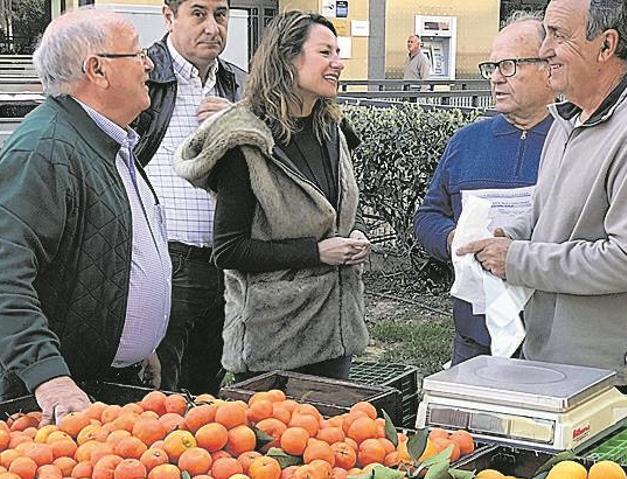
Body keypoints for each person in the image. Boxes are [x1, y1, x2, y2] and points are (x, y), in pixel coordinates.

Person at [459, 0, 627, 397]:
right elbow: (549, 213)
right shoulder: (570, 118)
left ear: (606, 46)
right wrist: (506, 233)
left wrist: (516, 259)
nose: (544, 49)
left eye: (558, 35)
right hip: (555, 358)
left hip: (610, 375)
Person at [174, 11, 370, 382]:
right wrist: (317, 252)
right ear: (287, 58)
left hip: (335, 335)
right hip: (272, 343)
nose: (338, 63)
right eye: (325, 53)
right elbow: (229, 250)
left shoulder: (333, 130)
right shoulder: (245, 142)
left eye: (338, 53)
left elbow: (332, 212)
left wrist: (353, 236)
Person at [0, 10, 171, 420]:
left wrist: (136, 345)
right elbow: (5, 274)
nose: (149, 64)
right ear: (97, 69)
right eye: (138, 54)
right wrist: (49, 377)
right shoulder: (45, 149)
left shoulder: (104, 140)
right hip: (55, 404)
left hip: (103, 383)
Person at [414, 13, 555, 365]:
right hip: (473, 336)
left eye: (508, 66)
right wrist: (455, 241)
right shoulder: (467, 141)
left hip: (550, 339)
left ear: (547, 67)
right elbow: (429, 215)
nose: (495, 78)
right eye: (492, 66)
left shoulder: (572, 143)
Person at [133, 0, 246, 395]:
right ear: (169, 16)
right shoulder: (143, 75)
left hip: (228, 262)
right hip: (168, 262)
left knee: (209, 399)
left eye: (221, 14)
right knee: (159, 394)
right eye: (198, 14)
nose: (212, 27)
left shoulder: (236, 83)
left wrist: (240, 119)